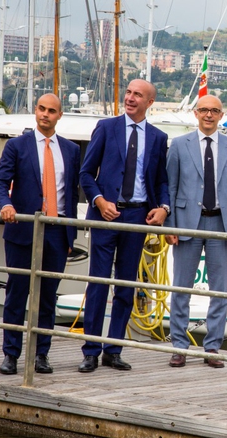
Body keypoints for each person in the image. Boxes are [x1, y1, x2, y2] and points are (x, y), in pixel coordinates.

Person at [78, 79, 170, 373]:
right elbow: (86, 174)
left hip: (137, 218)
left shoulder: (158, 138)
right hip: (106, 215)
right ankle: (91, 350)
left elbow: (161, 181)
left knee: (126, 286)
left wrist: (164, 208)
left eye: (137, 95)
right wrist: (99, 201)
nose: (130, 98)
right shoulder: (106, 128)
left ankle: (113, 350)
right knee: (98, 284)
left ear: (149, 102)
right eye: (128, 92)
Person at [0, 93, 80, 375]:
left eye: (51, 111)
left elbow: (72, 194)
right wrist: (5, 205)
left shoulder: (71, 150)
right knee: (16, 295)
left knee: (47, 298)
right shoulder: (17, 146)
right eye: (41, 108)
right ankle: (11, 355)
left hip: (57, 232)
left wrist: (70, 235)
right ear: (35, 110)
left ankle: (41, 355)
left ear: (59, 115)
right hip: (23, 230)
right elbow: (0, 181)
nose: (45, 114)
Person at [164, 94, 227, 369]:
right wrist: (170, 226)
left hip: (221, 224)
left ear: (221, 115)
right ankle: (179, 346)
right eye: (204, 110)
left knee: (220, 291)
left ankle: (212, 347)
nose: (209, 115)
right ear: (195, 113)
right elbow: (170, 187)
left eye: (214, 110)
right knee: (181, 288)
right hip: (187, 223)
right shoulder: (179, 145)